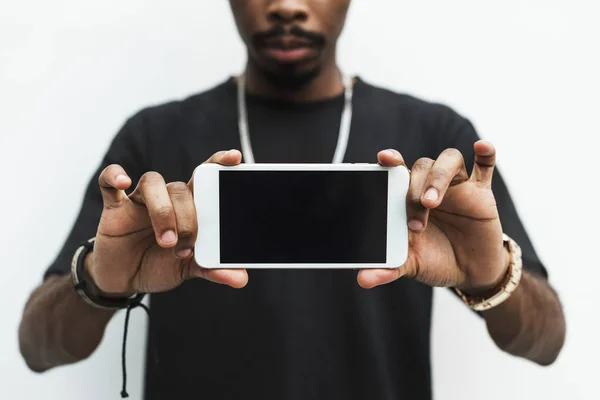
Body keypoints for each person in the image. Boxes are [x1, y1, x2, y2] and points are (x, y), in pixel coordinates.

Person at [18, 1, 566, 399]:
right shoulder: (153, 137)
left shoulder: (431, 133)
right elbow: (38, 349)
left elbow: (546, 342)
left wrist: (491, 277)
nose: (285, 7)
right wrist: (98, 282)